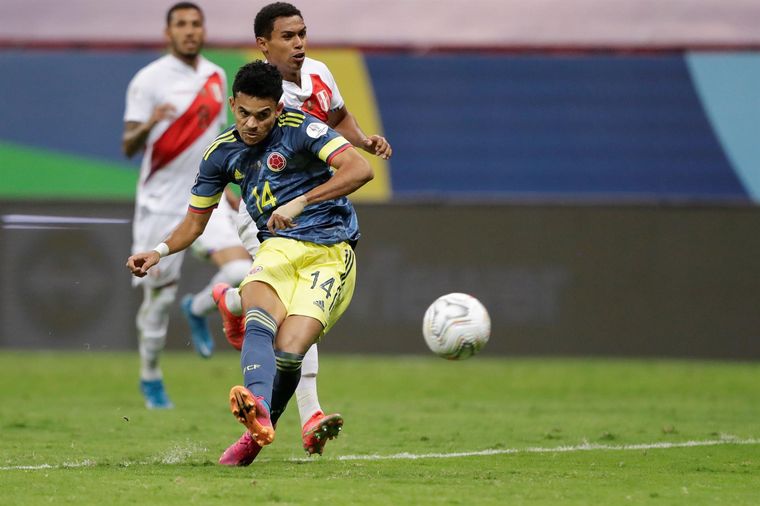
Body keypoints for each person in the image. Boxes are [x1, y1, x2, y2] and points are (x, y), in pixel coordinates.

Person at [126, 61, 373, 465]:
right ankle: (256, 404)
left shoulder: (302, 129)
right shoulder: (221, 153)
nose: (252, 124)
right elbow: (194, 223)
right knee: (260, 318)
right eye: (243, 113)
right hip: (277, 247)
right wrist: (158, 252)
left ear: (278, 109)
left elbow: (360, 168)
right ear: (232, 106)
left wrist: (301, 201)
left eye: (262, 115)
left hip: (330, 252)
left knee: (290, 354)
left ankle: (254, 438)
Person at [210, 1, 392, 456]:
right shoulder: (263, 100)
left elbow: (337, 117)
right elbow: (237, 151)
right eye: (288, 37)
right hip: (268, 213)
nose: (299, 44)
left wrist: (363, 140)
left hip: (314, 214)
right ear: (263, 44)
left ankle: (231, 302)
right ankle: (309, 412)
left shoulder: (320, 74)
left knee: (281, 309)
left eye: (302, 34)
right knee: (286, 308)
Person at [122, 2, 251, 409]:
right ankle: (150, 376)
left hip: (205, 198)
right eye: (181, 24)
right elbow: (128, 145)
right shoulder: (148, 80)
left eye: (196, 24)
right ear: (168, 33)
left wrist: (226, 187)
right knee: (158, 300)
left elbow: (217, 139)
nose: (190, 31)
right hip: (161, 204)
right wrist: (151, 123)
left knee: (241, 271)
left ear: (203, 30)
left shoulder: (216, 75)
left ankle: (197, 308)